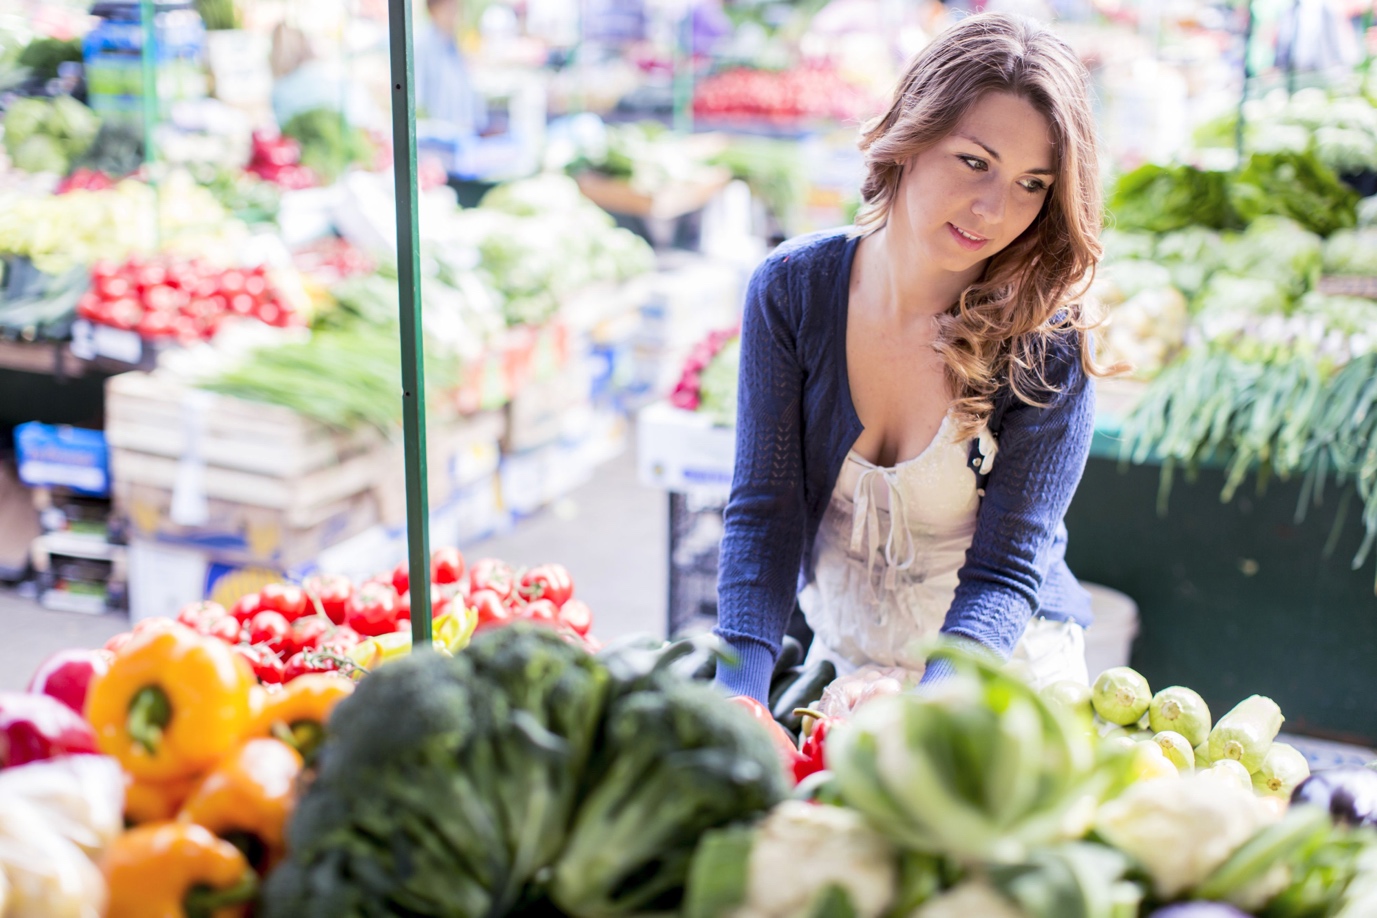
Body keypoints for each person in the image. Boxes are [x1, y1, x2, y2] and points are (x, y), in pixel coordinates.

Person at [714, 13, 1115, 707]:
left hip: (997, 683)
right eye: (974, 161)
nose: (993, 208)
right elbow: (764, 516)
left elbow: (1004, 573)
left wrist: (929, 713)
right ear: (910, 136)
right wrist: (738, 698)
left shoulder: (1046, 344)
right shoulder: (793, 291)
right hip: (847, 669)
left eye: (1031, 184)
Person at [415, 0, 487, 138]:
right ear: (433, 10)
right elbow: (417, 104)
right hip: (437, 143)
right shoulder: (422, 46)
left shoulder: (455, 43)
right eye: (449, 6)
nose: (454, 11)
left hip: (463, 138)